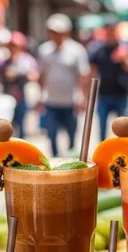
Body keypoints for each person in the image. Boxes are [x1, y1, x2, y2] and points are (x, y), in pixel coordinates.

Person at [37, 14, 89, 156]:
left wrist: (83, 98)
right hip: (51, 101)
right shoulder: (44, 50)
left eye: (58, 32)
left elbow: (83, 76)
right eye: (53, 32)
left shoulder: (77, 50)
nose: (55, 35)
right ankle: (54, 161)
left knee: (71, 134)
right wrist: (39, 97)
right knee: (51, 134)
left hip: (70, 101)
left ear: (66, 32)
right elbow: (41, 75)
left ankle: (70, 161)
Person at [90, 22, 128, 140]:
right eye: (109, 31)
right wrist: (88, 94)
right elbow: (92, 72)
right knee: (102, 127)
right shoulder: (99, 50)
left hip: (121, 94)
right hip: (104, 94)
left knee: (124, 130)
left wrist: (125, 58)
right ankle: (102, 150)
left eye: (113, 31)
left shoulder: (126, 49)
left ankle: (122, 151)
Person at [0, 31, 38, 138]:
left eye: (15, 45)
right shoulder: (4, 61)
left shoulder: (27, 60)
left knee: (21, 127)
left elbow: (34, 76)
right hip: (7, 98)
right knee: (7, 127)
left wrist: (21, 74)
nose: (13, 48)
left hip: (22, 98)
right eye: (11, 45)